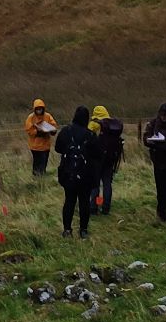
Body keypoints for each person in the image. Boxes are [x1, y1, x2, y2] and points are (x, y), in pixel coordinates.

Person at [54, 106, 103, 238]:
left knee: (69, 200)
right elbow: (98, 154)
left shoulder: (65, 131)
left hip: (68, 173)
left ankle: (67, 230)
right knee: (84, 202)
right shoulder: (90, 135)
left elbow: (57, 148)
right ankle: (83, 230)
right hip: (85, 174)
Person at [88, 105, 125, 214]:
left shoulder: (94, 124)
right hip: (110, 158)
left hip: (97, 159)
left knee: (95, 184)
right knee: (107, 184)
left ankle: (94, 207)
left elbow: (87, 138)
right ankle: (105, 207)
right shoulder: (113, 125)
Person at [25, 99, 59, 176]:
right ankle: (36, 177)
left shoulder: (47, 116)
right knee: (37, 163)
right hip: (35, 146)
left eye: (40, 109)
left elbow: (54, 126)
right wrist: (38, 132)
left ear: (43, 109)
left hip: (45, 145)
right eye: (37, 109)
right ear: (34, 109)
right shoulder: (31, 117)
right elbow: (28, 130)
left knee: (44, 162)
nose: (39, 111)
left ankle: (41, 176)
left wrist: (52, 130)